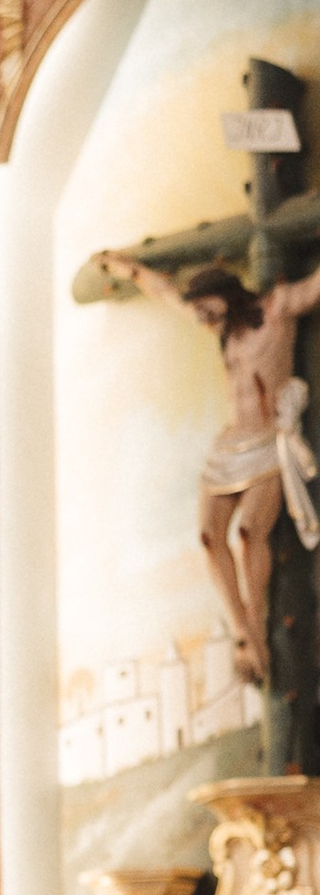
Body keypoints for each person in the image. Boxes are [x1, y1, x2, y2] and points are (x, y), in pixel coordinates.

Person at [98, 248, 320, 684]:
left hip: (264, 445)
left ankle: (253, 630)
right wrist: (124, 267)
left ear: (225, 295)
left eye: (206, 310)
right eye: (197, 312)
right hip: (229, 447)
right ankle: (245, 631)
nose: (201, 320)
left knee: (247, 533)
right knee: (208, 536)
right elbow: (164, 291)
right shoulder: (222, 327)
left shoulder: (276, 310)